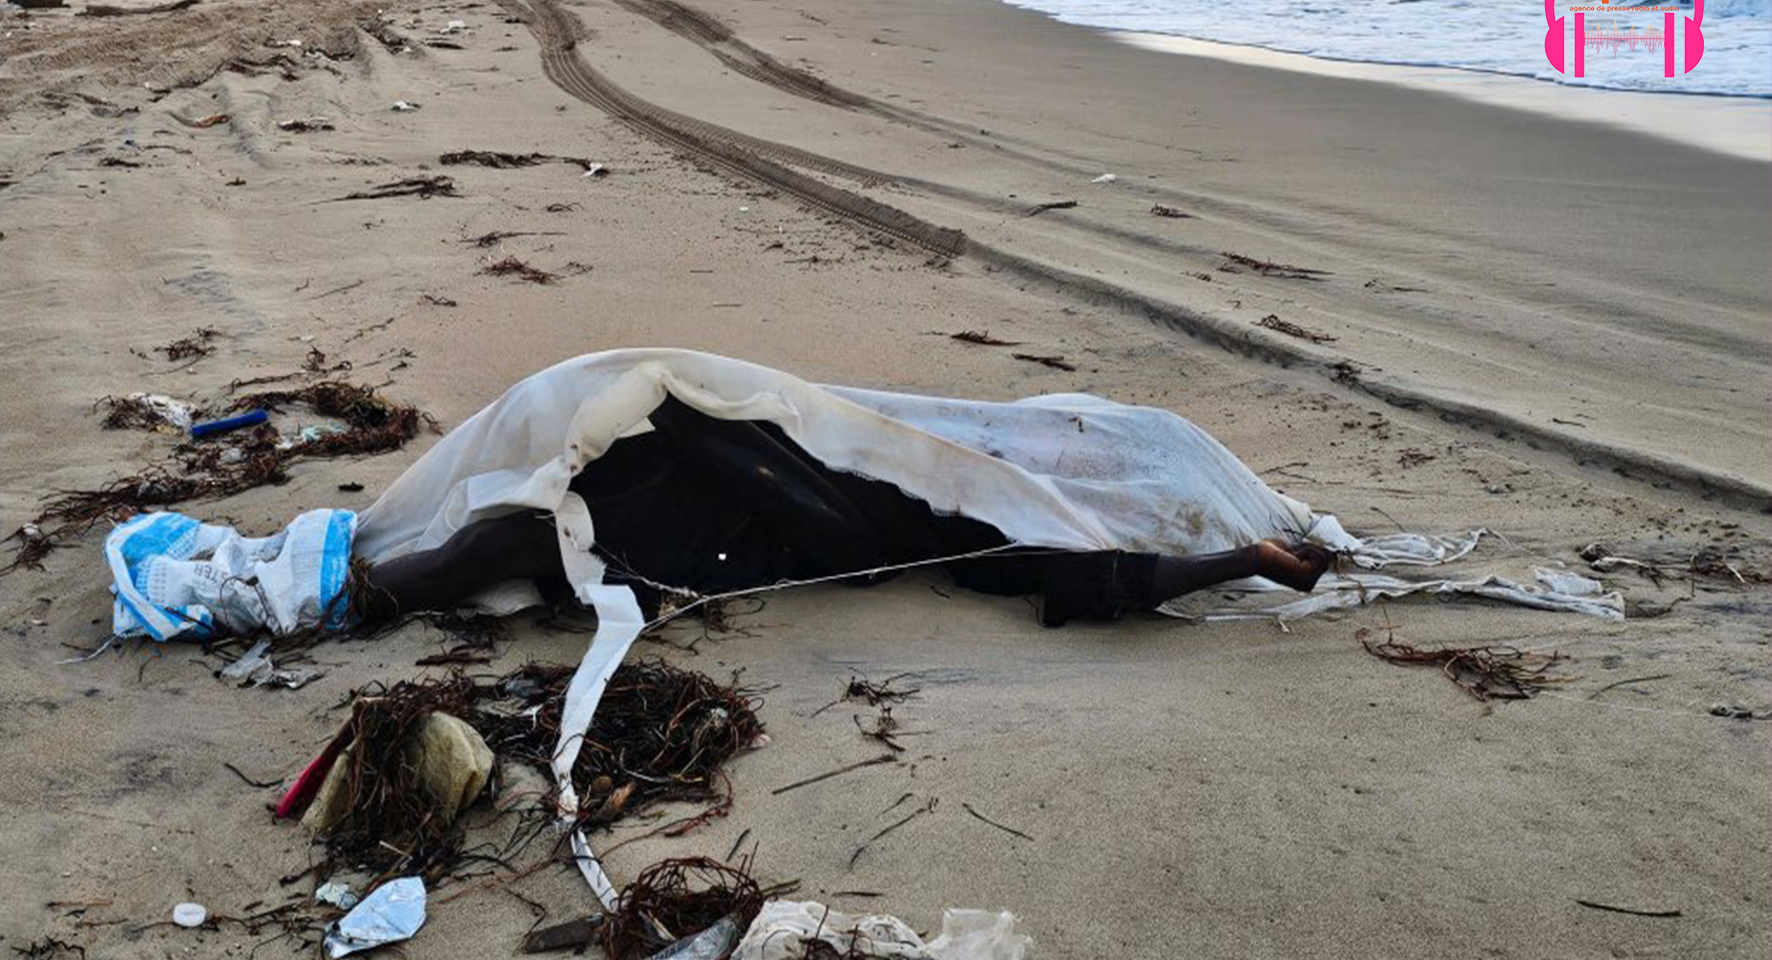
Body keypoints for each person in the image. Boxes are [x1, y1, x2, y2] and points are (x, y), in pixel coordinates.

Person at [356, 396, 1333, 628]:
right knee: (559, 474)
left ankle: (346, 597)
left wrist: (1235, 559)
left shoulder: (1027, 528)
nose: (1071, 449)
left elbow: (1093, 583)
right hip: (736, 458)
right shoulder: (973, 431)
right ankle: (347, 567)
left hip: (758, 528)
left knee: (529, 535)